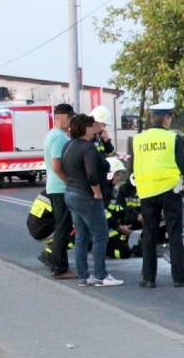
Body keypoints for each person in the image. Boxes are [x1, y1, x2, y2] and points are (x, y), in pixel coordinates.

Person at [132, 102, 184, 289]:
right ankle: (179, 278)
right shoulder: (172, 138)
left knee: (149, 234)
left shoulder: (138, 139)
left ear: (152, 119)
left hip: (147, 192)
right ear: (167, 118)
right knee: (174, 233)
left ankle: (148, 278)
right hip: (169, 190)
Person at [61, 114, 124, 287]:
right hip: (87, 196)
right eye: (91, 125)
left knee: (81, 236)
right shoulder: (87, 148)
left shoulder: (68, 145)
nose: (94, 128)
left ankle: (84, 276)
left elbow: (63, 167)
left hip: (71, 193)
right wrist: (97, 192)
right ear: (85, 128)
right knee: (100, 235)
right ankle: (101, 276)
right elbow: (91, 173)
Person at [42, 103, 76, 278]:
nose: (71, 122)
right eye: (70, 118)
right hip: (60, 188)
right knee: (63, 228)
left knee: (62, 226)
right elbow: (56, 165)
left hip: (54, 186)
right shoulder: (60, 137)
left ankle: (57, 264)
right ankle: (60, 268)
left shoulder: (51, 135)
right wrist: (68, 181)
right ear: (63, 117)